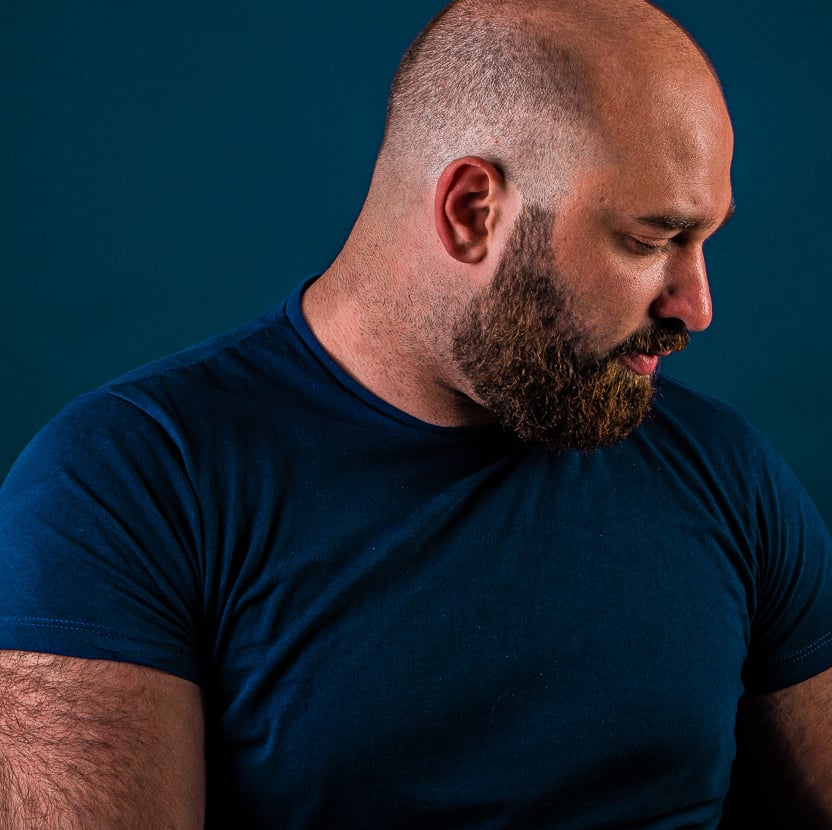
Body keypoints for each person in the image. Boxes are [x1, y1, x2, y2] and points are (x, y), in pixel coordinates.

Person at [0, 0, 830, 826]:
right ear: (472, 212)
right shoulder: (125, 486)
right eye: (651, 241)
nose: (695, 306)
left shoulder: (725, 471)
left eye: (705, 240)